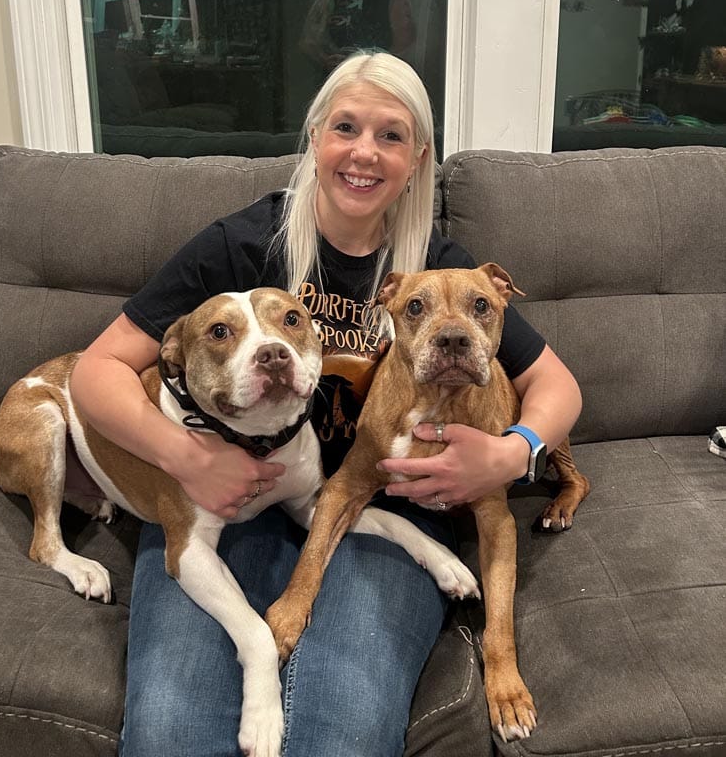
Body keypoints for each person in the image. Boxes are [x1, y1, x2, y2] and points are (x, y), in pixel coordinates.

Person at [70, 50, 582, 756]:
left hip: (379, 514)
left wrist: (510, 452)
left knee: (337, 733)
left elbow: (557, 384)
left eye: (391, 135)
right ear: (314, 138)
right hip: (214, 503)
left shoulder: (436, 270)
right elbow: (95, 370)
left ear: (416, 159)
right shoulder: (242, 243)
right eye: (345, 127)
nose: (364, 153)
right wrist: (186, 458)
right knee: (171, 733)